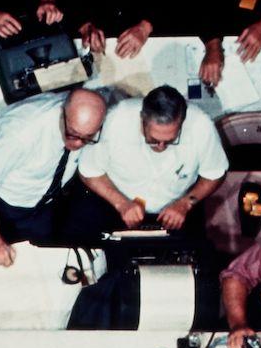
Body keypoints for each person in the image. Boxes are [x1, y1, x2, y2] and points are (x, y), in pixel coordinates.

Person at [0, 87, 106, 259]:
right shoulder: (22, 135)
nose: (77, 144)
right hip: (7, 201)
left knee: (46, 258)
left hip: (45, 199)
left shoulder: (87, 107)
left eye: (88, 137)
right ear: (63, 112)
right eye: (73, 134)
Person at [76, 86, 224, 239]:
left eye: (170, 141)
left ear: (182, 122)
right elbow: (89, 171)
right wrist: (121, 203)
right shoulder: (116, 119)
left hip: (177, 210)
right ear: (142, 119)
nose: (161, 147)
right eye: (153, 140)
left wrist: (186, 203)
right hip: (116, 204)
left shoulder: (201, 124)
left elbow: (215, 173)